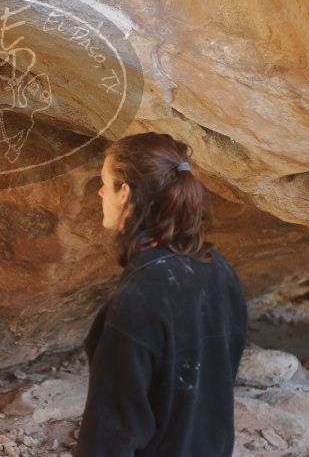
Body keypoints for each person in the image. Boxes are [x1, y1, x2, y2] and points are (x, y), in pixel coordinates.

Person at [75, 132, 248, 456]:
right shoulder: (220, 272)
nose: (100, 192)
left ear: (124, 193)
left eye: (105, 182)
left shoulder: (137, 299)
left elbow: (110, 433)